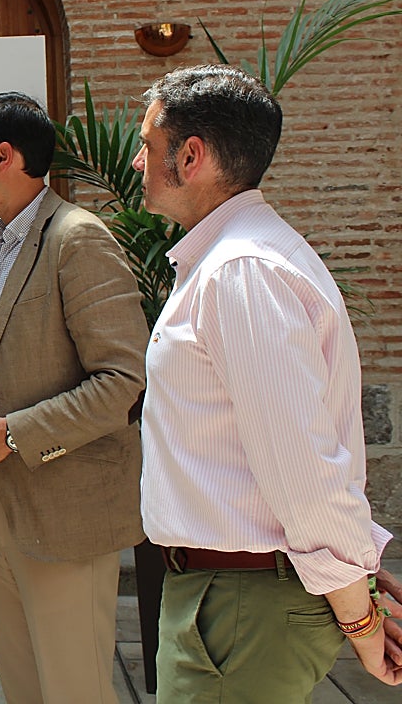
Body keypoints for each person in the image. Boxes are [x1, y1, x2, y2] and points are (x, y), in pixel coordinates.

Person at [134, 64, 402, 697]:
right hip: (232, 596)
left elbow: (301, 465)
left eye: (147, 144)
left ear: (191, 156)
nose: (139, 161)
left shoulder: (241, 271)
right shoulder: (235, 260)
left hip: (241, 600)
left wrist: (359, 617)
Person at [0, 92, 148, 704]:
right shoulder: (6, 242)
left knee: (75, 692)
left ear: (5, 157)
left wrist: (11, 433)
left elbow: (122, 383)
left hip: (65, 517)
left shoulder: (78, 238)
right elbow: (18, 373)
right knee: (22, 689)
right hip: (0, 508)